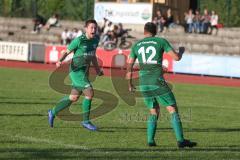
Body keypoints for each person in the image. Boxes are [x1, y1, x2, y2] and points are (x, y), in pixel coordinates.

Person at [126, 22, 197, 148]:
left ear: (144, 32)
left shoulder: (137, 45)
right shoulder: (160, 41)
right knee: (172, 109)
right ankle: (181, 140)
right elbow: (176, 58)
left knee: (154, 111)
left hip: (144, 83)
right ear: (156, 31)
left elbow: (129, 64)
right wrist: (181, 51)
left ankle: (150, 141)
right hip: (157, 81)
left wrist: (130, 84)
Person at [48, 19, 103, 131]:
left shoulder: (96, 40)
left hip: (84, 70)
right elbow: (66, 52)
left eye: (95, 28)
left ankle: (52, 112)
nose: (93, 30)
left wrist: (97, 70)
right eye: (91, 27)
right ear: (86, 29)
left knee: (73, 97)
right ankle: (85, 121)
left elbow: (93, 56)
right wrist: (60, 60)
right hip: (76, 71)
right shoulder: (79, 40)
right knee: (89, 92)